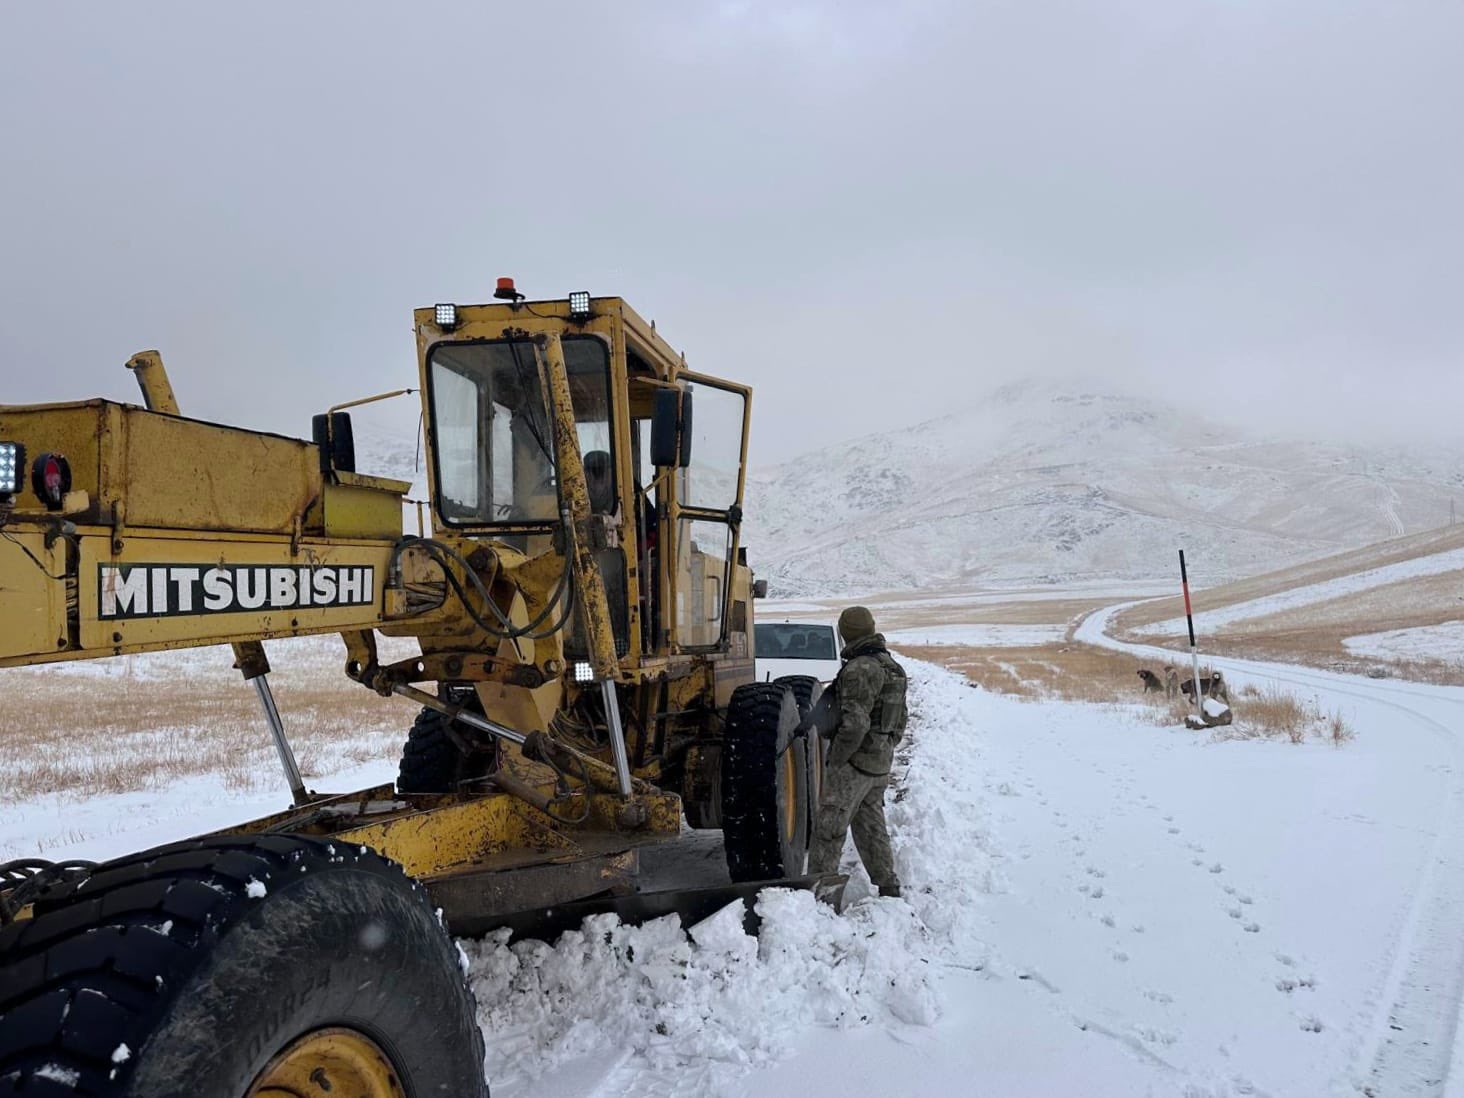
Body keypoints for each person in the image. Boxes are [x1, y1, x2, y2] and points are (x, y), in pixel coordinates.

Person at [807, 605, 909, 898]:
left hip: (855, 763)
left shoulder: (860, 668)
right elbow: (901, 718)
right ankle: (888, 885)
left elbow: (854, 725)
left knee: (829, 827)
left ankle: (819, 893)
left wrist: (837, 758)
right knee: (870, 825)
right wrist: (886, 746)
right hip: (878, 762)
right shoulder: (891, 666)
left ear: (844, 633)